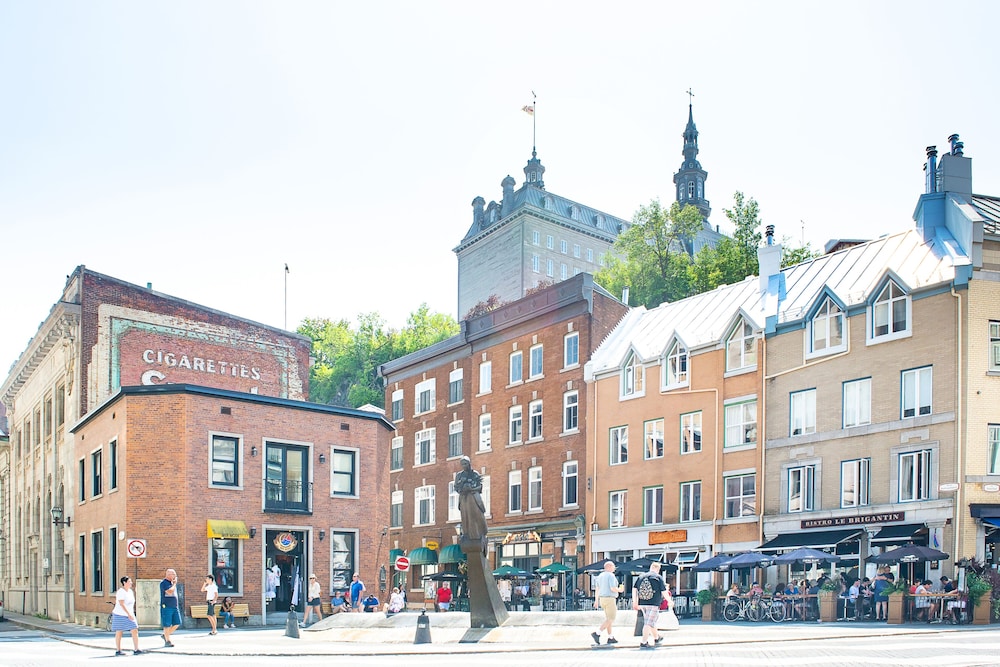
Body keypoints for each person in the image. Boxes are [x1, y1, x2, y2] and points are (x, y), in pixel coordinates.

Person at [455, 456, 488, 555]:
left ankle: (478, 533)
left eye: (465, 464)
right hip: (464, 498)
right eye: (462, 464)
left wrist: (472, 488)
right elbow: (456, 487)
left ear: (469, 464)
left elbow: (480, 487)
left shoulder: (475, 474)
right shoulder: (459, 475)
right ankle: (467, 534)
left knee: (475, 515)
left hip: (473, 498)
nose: (464, 466)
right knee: (465, 516)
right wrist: (462, 489)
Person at [631, 561, 666, 649]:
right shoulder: (658, 577)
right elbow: (664, 591)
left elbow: (634, 589)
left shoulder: (641, 576)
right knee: (648, 623)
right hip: (653, 603)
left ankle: (657, 638)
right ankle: (644, 642)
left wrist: (634, 602)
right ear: (658, 569)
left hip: (642, 603)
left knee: (650, 621)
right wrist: (669, 601)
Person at [591, 560, 623, 645]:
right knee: (611, 618)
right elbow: (613, 588)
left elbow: (597, 589)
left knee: (608, 619)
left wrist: (596, 600)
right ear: (609, 567)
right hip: (610, 598)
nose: (614, 568)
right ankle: (597, 633)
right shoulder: (611, 575)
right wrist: (620, 590)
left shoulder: (600, 576)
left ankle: (610, 637)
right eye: (613, 567)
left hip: (602, 599)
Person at [112, 576, 143, 656]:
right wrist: (128, 614)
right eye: (129, 582)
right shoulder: (121, 592)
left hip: (130, 614)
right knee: (119, 631)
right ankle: (118, 650)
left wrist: (131, 613)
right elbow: (122, 604)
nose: (131, 583)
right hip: (120, 614)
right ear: (124, 583)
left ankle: (136, 649)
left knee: (134, 629)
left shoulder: (130, 591)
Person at [160, 568, 180, 647]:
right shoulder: (164, 583)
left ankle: (165, 635)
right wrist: (174, 584)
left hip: (174, 606)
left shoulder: (172, 583)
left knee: (177, 622)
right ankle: (167, 641)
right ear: (168, 575)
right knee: (167, 624)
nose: (175, 576)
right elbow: (169, 592)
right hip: (167, 606)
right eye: (173, 574)